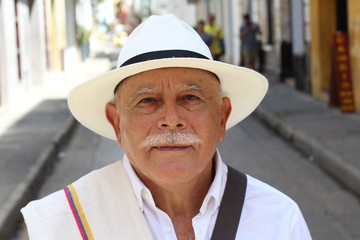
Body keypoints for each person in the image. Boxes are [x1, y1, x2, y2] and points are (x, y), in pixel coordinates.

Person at [21, 14, 311, 239]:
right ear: (116, 122)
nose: (171, 118)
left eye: (190, 97)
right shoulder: (59, 224)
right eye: (147, 100)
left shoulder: (279, 220)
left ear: (221, 117)